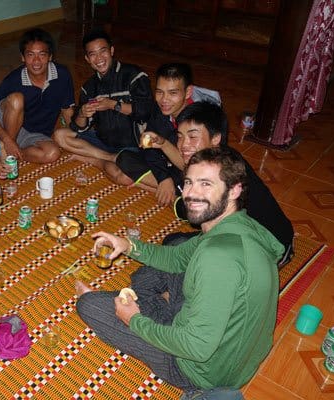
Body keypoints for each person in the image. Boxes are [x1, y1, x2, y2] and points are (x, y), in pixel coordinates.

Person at [76, 147, 283, 397]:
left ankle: (148, 308)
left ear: (234, 190)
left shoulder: (217, 259)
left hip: (201, 369)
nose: (191, 194)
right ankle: (152, 303)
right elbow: (176, 259)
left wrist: (133, 320)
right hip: (233, 349)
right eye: (188, 182)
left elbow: (196, 348)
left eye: (206, 184)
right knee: (177, 246)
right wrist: (128, 245)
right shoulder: (238, 226)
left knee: (89, 304)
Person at [122, 101, 294, 265]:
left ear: (215, 138)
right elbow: (187, 165)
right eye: (180, 137)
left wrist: (171, 195)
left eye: (193, 137)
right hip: (255, 232)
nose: (183, 145)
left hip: (268, 244)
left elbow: (188, 213)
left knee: (181, 252)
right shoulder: (220, 156)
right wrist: (163, 144)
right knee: (173, 241)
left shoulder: (223, 172)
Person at [52, 29, 161, 185]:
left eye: (103, 51)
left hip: (135, 146)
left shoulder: (134, 75)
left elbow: (145, 111)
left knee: (124, 178)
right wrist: (83, 113)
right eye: (92, 54)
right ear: (87, 59)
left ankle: (95, 160)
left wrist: (113, 105)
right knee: (60, 136)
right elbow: (79, 128)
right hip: (103, 142)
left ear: (111, 50)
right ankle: (110, 158)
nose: (99, 58)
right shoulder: (88, 88)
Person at [116, 63, 221, 206]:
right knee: (125, 158)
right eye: (159, 92)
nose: (164, 100)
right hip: (171, 167)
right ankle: (173, 192)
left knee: (199, 198)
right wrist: (164, 178)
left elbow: (200, 165)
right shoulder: (159, 108)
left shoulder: (201, 119)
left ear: (188, 92)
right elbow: (149, 147)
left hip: (198, 171)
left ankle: (175, 194)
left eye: (173, 93)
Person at [0, 28, 75, 163]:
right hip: (8, 123)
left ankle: (14, 153)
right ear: (22, 57)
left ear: (50, 56)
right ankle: (6, 148)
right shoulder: (14, 78)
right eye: (30, 55)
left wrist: (76, 136)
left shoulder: (62, 75)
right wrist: (7, 139)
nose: (36, 61)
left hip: (35, 134)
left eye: (42, 54)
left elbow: (67, 110)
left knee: (52, 153)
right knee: (16, 99)